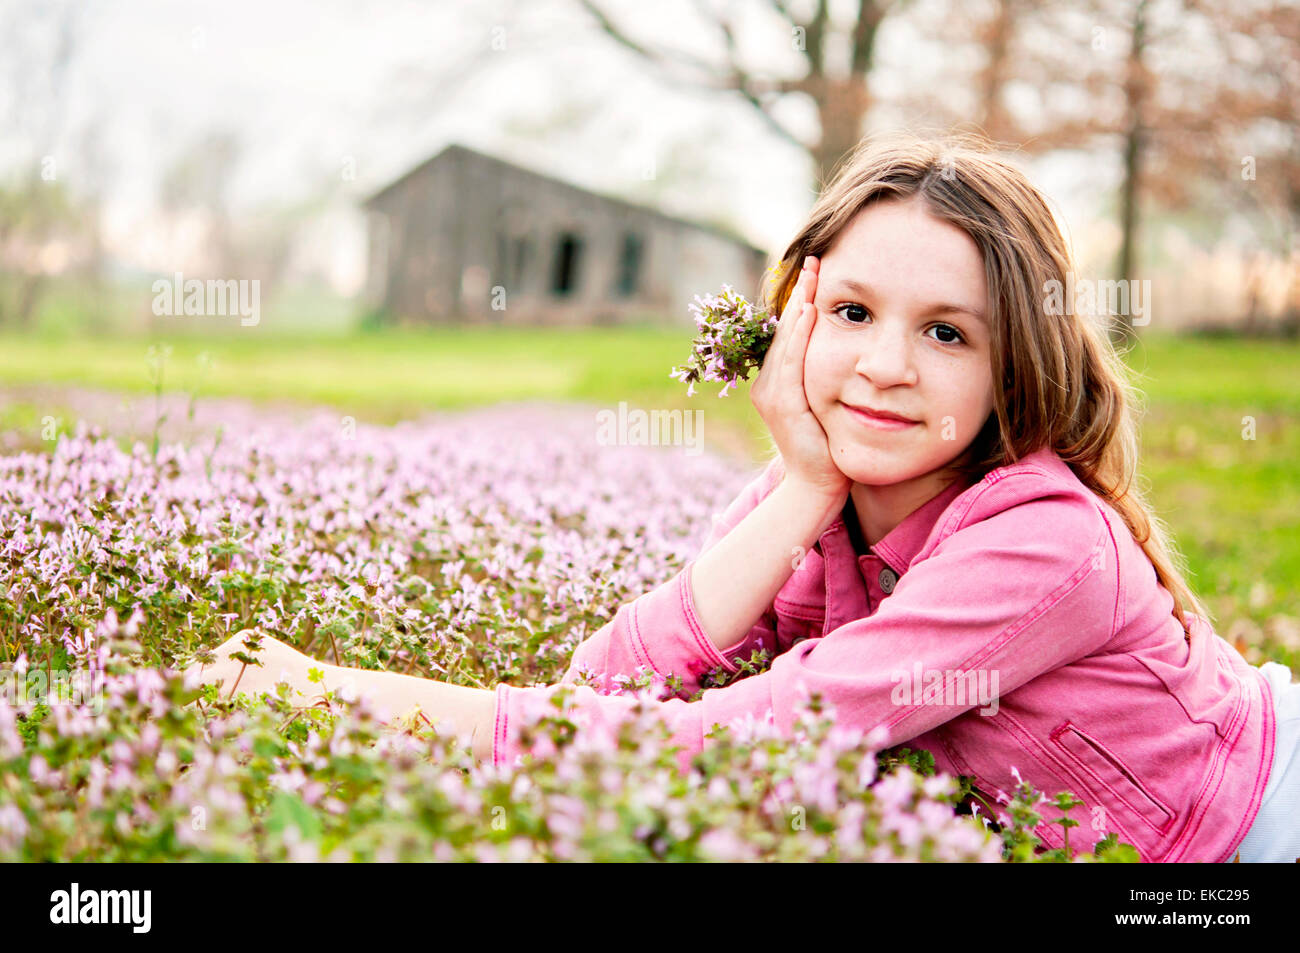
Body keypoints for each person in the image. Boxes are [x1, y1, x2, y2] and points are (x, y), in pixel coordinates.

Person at [188, 131, 1297, 863]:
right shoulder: (812, 500)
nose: (882, 367)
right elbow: (607, 685)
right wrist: (803, 484)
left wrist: (343, 693)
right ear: (793, 315)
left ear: (1013, 365)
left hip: (1251, 832)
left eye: (945, 331)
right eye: (852, 312)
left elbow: (738, 741)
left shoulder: (1041, 544)